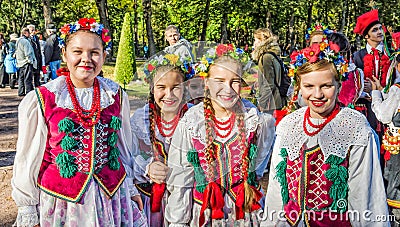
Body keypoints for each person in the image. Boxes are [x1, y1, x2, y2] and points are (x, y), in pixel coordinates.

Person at [11, 18, 146, 226]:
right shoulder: (44, 97)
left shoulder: (115, 94)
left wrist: (128, 185)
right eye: (78, 51)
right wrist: (27, 206)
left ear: (103, 55)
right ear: (64, 54)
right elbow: (28, 157)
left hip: (110, 196)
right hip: (62, 201)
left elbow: (122, 148)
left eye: (94, 52)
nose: (86, 59)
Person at [263, 41, 389, 226]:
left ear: (338, 85)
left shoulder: (354, 126)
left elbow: (365, 194)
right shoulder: (289, 124)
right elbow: (276, 187)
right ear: (299, 87)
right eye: (309, 86)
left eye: (326, 86)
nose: (317, 94)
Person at [165, 44, 275, 226]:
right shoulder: (192, 122)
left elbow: (258, 169)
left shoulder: (256, 121)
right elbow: (180, 179)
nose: (228, 89)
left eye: (235, 81)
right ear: (206, 83)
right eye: (220, 81)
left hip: (244, 214)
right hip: (204, 214)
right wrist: (178, 221)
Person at [130, 53, 193, 227]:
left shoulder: (195, 118)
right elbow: (128, 157)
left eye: (175, 87)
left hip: (187, 199)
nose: (169, 94)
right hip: (151, 200)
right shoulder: (140, 120)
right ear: (152, 89)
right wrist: (147, 167)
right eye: (161, 87)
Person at [370, 31, 400, 226]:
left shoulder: (398, 90)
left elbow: (383, 114)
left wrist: (376, 93)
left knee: (395, 181)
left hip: (397, 145)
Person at [353, 9, 390, 137]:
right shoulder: (357, 56)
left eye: (380, 28)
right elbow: (352, 83)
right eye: (374, 30)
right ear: (366, 36)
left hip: (388, 105)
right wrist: (363, 88)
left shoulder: (391, 54)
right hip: (365, 108)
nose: (380, 32)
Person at [252, 28, 284, 111]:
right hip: (275, 100)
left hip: (271, 103)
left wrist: (261, 104)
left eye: (255, 40)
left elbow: (269, 84)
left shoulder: (266, 57)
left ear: (261, 40)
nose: (254, 43)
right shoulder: (272, 54)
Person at [15, 27, 36, 96]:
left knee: (21, 78)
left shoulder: (18, 41)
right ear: (25, 33)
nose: (30, 34)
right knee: (28, 78)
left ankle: (20, 91)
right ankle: (29, 92)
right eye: (28, 33)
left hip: (20, 62)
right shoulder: (25, 41)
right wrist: (30, 60)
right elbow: (28, 52)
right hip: (26, 62)